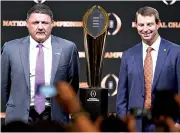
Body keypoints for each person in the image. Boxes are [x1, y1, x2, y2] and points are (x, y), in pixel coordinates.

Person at [1, 3, 79, 124]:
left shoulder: (68, 48)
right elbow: (4, 85)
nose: (41, 27)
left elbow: (72, 85)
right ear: (27, 23)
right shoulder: (10, 48)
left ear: (52, 24)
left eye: (45, 23)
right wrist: (16, 106)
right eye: (36, 23)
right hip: (19, 117)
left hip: (55, 117)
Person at [116, 6, 180, 131]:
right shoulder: (128, 55)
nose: (145, 29)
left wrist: (178, 123)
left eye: (149, 24)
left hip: (165, 124)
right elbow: (122, 97)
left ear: (158, 24)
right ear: (136, 26)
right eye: (141, 25)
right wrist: (123, 124)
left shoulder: (176, 52)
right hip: (135, 125)